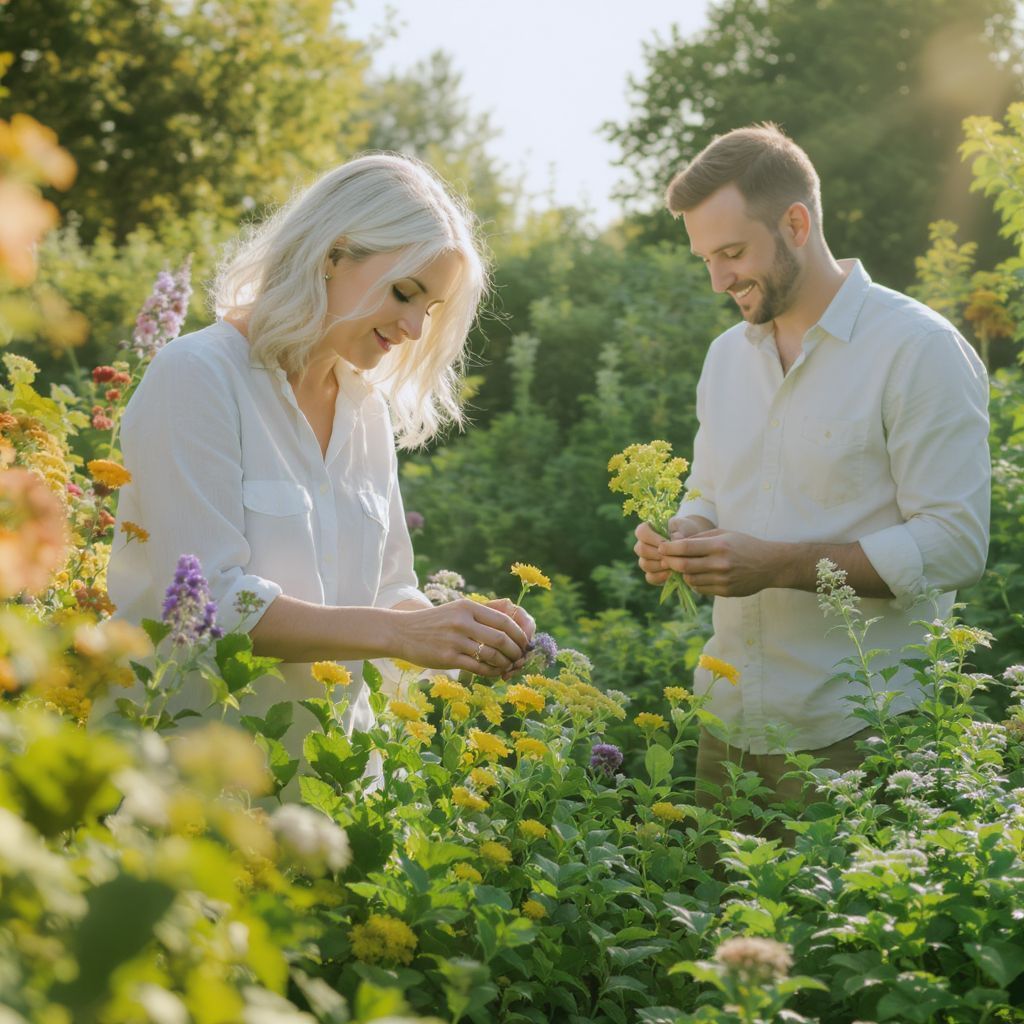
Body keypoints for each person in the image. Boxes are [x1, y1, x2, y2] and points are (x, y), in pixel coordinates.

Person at [107, 154, 533, 761]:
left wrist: (460, 631)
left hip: (334, 780)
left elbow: (387, 593)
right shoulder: (197, 376)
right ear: (331, 256)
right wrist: (405, 632)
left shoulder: (365, 411)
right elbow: (207, 607)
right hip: (196, 780)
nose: (414, 327)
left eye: (429, 309)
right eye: (405, 293)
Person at [633, 123, 990, 833]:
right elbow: (710, 488)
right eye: (705, 258)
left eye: (732, 253)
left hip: (859, 727)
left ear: (796, 223)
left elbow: (955, 546)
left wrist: (784, 565)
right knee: (716, 935)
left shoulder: (917, 350)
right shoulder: (725, 359)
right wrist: (686, 534)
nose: (718, 279)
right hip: (728, 720)